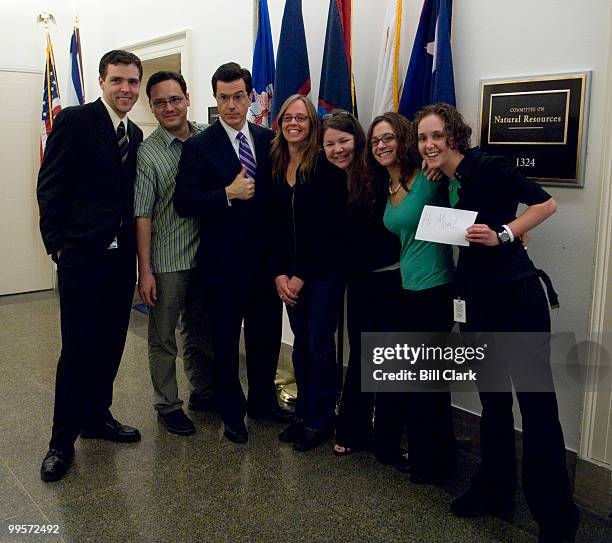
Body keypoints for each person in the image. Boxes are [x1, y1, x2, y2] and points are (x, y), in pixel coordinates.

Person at [415, 103, 579, 542]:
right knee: (494, 403)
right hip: (476, 301)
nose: (428, 145)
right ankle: (495, 488)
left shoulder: (487, 164)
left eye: (435, 136)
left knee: (538, 408)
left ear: (454, 135)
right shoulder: (446, 181)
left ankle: (557, 520)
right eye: (422, 138)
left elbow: (545, 203)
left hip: (518, 300)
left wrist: (505, 232)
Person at [37, 50, 144, 482]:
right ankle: (61, 441)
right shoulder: (75, 121)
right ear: (101, 81)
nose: (126, 89)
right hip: (81, 257)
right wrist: (58, 247)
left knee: (112, 343)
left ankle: (98, 417)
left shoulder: (134, 133)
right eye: (117, 80)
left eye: (133, 82)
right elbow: (50, 186)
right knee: (78, 348)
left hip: (121, 263)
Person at [174, 62, 290, 444]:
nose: (231, 105)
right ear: (215, 99)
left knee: (265, 336)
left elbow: (277, 203)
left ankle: (262, 402)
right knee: (224, 342)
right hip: (222, 266)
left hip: (265, 264)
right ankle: (232, 411)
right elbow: (184, 201)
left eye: (238, 96)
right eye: (223, 98)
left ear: (250, 96)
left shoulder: (268, 140)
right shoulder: (199, 146)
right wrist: (226, 194)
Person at [368, 112, 457, 483]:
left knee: (429, 382)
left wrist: (511, 229)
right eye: (375, 141)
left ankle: (436, 466)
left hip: (435, 288)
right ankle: (424, 458)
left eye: (388, 138)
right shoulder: (385, 186)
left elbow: (462, 199)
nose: (381, 146)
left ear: (403, 140)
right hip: (408, 289)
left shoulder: (427, 176)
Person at [135, 71, 214, 436]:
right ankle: (168, 404)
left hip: (206, 259)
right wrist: (145, 271)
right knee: (164, 337)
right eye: (160, 102)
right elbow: (144, 214)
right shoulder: (148, 154)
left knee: (201, 332)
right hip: (167, 263)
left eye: (175, 99)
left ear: (187, 97)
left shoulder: (207, 137)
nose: (169, 107)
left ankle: (203, 391)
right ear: (151, 107)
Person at [320, 110, 403, 459]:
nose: (338, 149)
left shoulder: (374, 174)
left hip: (392, 277)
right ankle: (352, 429)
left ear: (358, 140)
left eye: (344, 141)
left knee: (389, 359)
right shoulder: (323, 179)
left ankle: (386, 438)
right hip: (358, 280)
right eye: (330, 143)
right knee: (362, 355)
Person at [270, 95, 347, 452]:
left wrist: (301, 273)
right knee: (301, 346)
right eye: (289, 117)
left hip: (323, 274)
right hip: (289, 276)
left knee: (318, 345)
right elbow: (271, 228)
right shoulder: (275, 162)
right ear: (280, 121)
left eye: (302, 118)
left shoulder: (325, 167)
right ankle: (303, 415)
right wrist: (279, 274)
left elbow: (331, 231)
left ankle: (320, 420)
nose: (294, 123)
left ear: (312, 124)